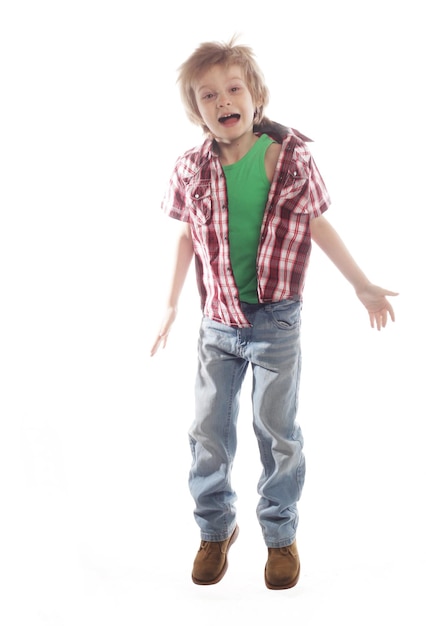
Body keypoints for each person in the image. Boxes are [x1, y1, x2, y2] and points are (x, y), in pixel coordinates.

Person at [151, 37, 397, 590]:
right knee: (208, 431)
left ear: (254, 96)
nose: (222, 101)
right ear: (197, 110)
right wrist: (168, 305)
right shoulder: (190, 168)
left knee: (277, 431)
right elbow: (186, 236)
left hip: (275, 323)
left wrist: (362, 285)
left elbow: (317, 224)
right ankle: (215, 529)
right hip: (216, 323)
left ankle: (280, 535)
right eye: (208, 95)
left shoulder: (290, 159)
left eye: (233, 89)